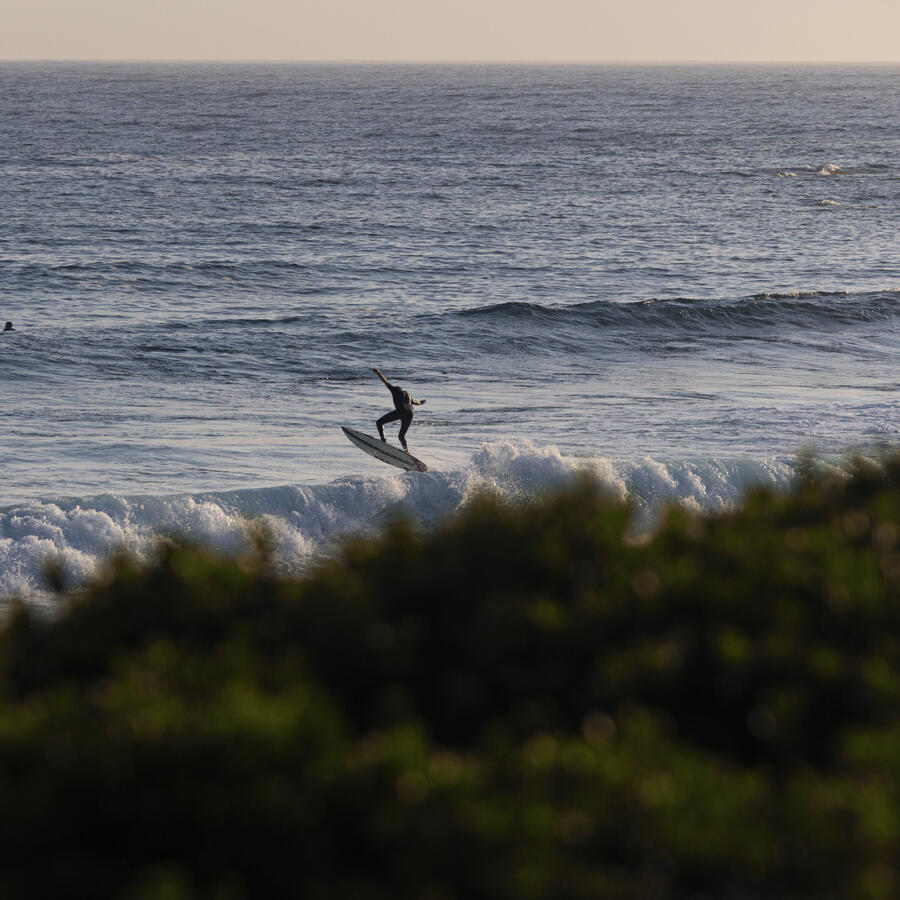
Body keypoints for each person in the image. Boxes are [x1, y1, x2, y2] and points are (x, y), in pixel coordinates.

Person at [373, 368, 425, 452]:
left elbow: (385, 381)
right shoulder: (409, 396)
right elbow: (417, 402)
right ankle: (406, 451)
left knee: (379, 422)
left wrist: (378, 372)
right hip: (410, 414)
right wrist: (422, 403)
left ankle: (383, 440)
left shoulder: (395, 390)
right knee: (401, 436)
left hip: (401, 412)